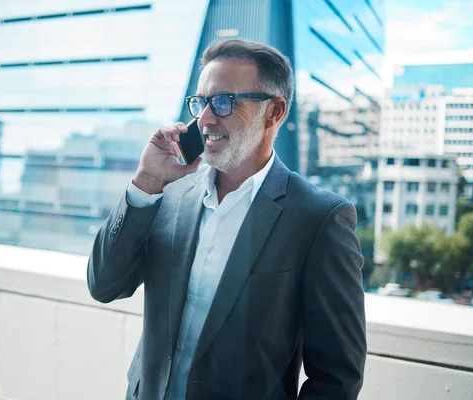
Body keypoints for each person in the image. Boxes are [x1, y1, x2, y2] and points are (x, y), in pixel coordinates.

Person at [88, 38, 366, 400]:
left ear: (274, 111)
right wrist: (146, 181)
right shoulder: (168, 192)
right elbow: (105, 285)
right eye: (200, 102)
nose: (204, 118)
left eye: (223, 102)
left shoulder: (318, 219)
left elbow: (337, 378)